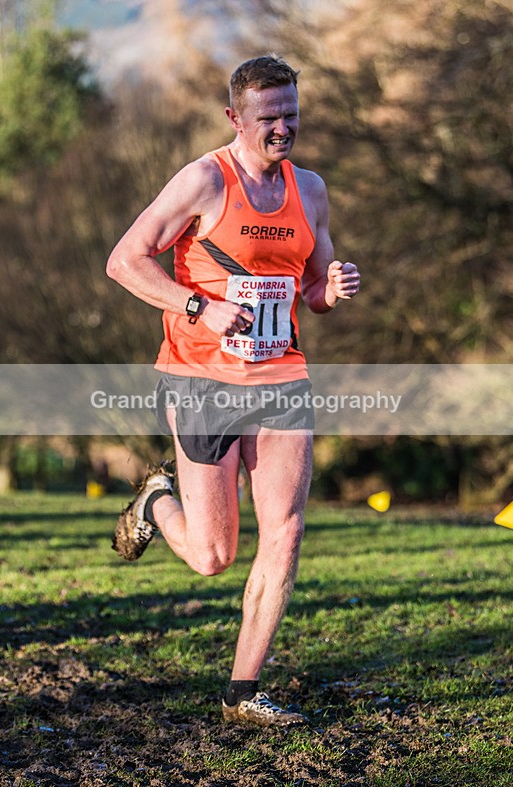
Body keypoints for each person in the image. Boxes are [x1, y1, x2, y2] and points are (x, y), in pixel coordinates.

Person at [106, 54, 360, 727]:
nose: (283, 128)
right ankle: (159, 499)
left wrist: (328, 292)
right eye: (269, 117)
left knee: (286, 529)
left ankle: (242, 692)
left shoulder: (311, 190)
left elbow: (310, 284)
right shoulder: (201, 181)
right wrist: (198, 308)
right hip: (202, 378)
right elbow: (125, 260)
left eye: (292, 115)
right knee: (213, 556)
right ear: (235, 118)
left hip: (281, 377)